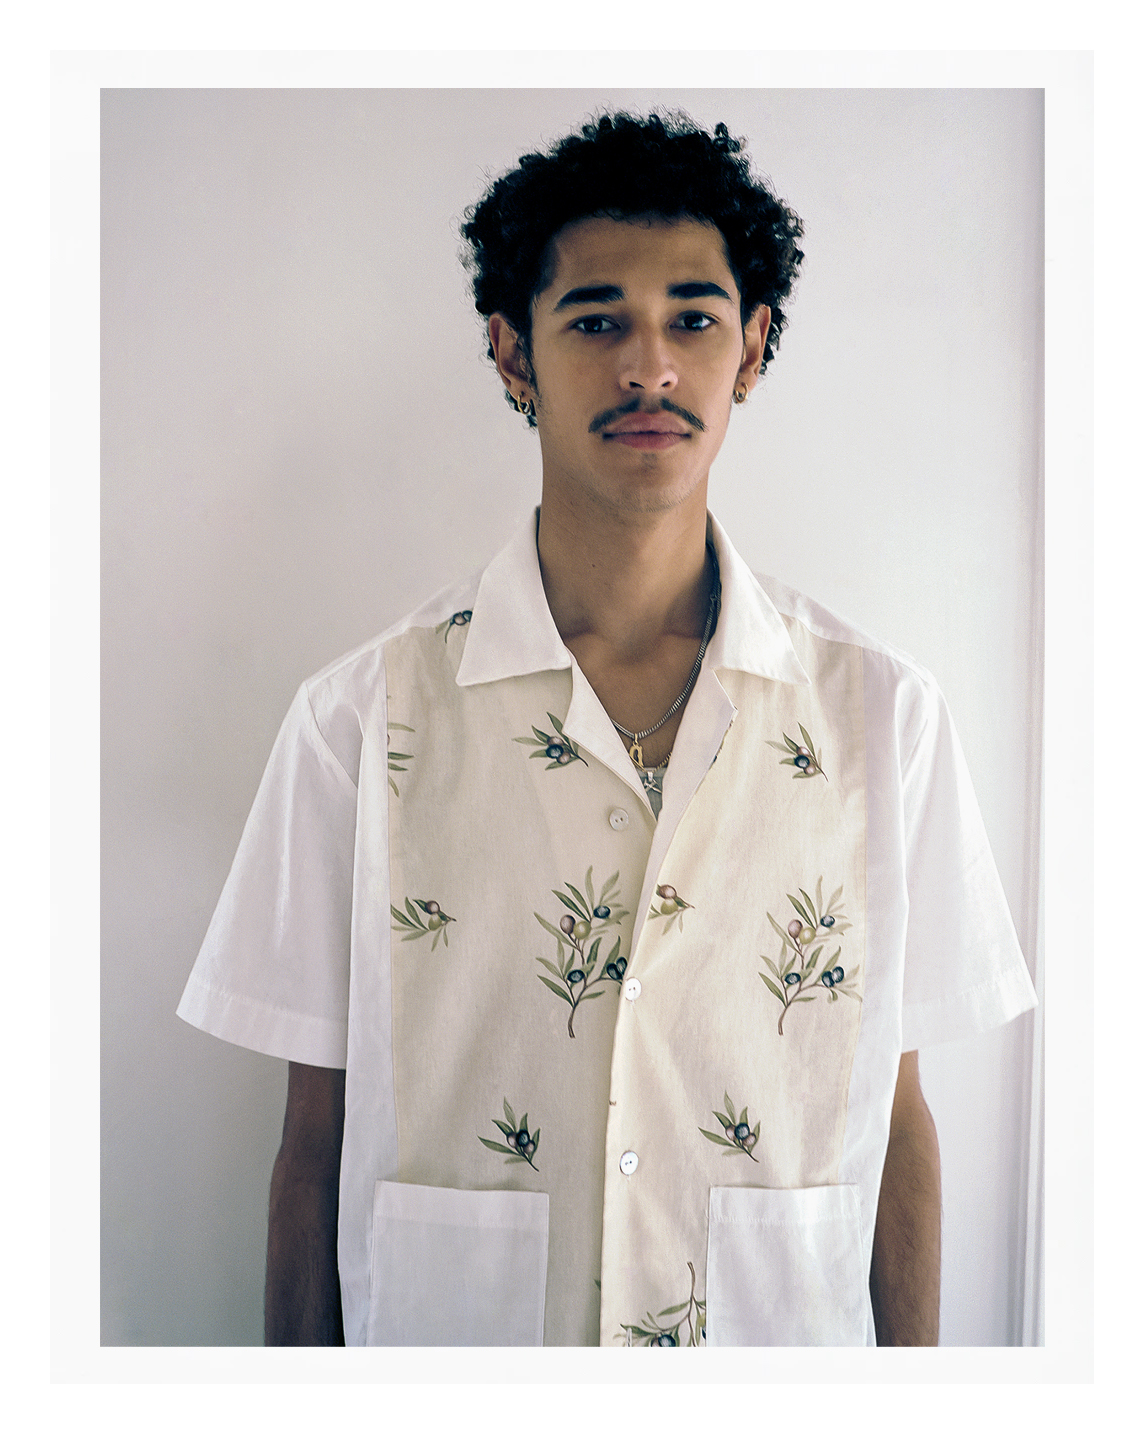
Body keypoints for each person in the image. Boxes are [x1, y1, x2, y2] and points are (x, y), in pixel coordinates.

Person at [178, 111, 1037, 1348]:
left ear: (752, 347)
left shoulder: (880, 720)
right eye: (595, 321)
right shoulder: (357, 723)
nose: (649, 367)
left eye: (693, 318)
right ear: (512, 353)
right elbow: (314, 1144)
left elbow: (895, 1124)